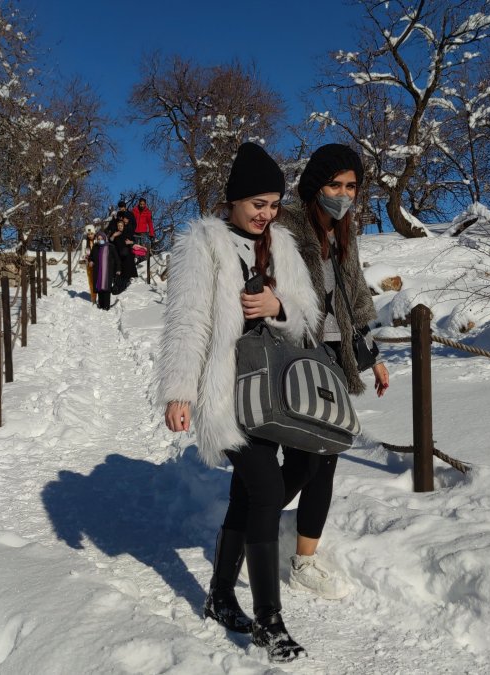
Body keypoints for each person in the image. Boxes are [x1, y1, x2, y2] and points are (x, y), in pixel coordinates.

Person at [157, 142, 320, 663]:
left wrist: (278, 306)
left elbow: (308, 318)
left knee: (254, 494)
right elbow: (188, 322)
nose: (265, 213)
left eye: (273, 203)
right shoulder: (203, 244)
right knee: (266, 489)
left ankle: (220, 595)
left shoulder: (284, 245)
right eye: (257, 202)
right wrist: (180, 392)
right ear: (232, 200)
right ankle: (269, 622)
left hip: (273, 394)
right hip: (225, 394)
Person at [280, 143, 390, 599]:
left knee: (325, 462)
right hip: (292, 356)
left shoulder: (347, 231)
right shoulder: (286, 226)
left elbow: (357, 299)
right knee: (302, 459)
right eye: (334, 184)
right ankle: (250, 526)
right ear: (314, 186)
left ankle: (304, 558)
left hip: (333, 357)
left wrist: (374, 356)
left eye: (351, 186)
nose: (343, 194)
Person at [90, 231, 119, 310]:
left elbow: (117, 259)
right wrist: (91, 261)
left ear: (104, 238)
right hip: (98, 271)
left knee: (106, 288)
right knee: (99, 287)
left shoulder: (111, 247)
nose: (100, 240)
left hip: (108, 271)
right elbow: (91, 257)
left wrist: (118, 269)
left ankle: (106, 305)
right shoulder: (95, 247)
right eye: (98, 239)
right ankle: (101, 304)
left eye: (101, 238)